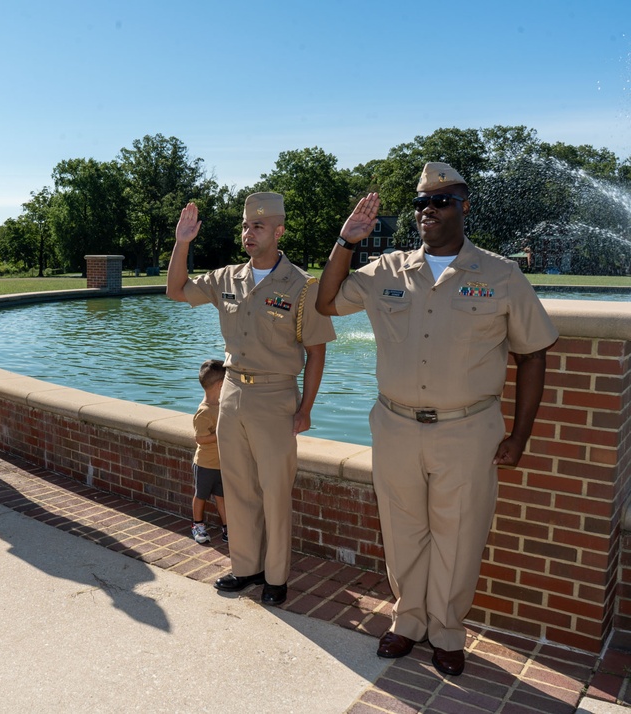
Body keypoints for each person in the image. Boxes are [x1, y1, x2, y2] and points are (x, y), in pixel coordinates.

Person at [315, 162, 558, 677]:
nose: (429, 210)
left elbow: (533, 355)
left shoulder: (500, 274)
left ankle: (447, 630)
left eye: (441, 201)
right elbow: (327, 302)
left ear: (464, 206)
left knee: (460, 533)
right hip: (396, 424)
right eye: (422, 203)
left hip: (469, 430)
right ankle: (407, 623)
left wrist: (519, 436)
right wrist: (346, 241)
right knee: (403, 531)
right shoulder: (386, 270)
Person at [167, 193, 335, 606]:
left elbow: (316, 351)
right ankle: (245, 568)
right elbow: (175, 290)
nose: (248, 233)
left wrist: (306, 409)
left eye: (258, 227)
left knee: (275, 491)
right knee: (238, 488)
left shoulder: (301, 285)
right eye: (245, 226)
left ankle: (276, 577)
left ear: (278, 231)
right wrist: (182, 242)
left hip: (276, 397)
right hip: (232, 394)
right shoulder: (227, 278)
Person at [190, 359, 228, 545]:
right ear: (221, 385)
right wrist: (220, 434)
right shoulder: (204, 412)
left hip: (221, 464)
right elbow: (200, 439)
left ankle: (227, 527)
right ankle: (198, 525)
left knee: (222, 497)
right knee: (201, 495)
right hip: (205, 464)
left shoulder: (222, 406)